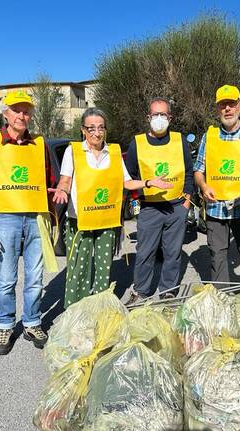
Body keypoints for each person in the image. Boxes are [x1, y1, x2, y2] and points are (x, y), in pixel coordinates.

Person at [51, 107, 172, 308]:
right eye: (91, 128)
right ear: (83, 130)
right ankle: (75, 313)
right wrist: (62, 190)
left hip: (107, 221)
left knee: (103, 270)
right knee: (77, 269)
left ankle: (100, 311)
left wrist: (148, 182)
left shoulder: (113, 153)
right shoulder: (73, 151)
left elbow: (126, 182)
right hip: (79, 221)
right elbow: (65, 180)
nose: (96, 133)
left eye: (100, 128)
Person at [0, 90, 57, 355]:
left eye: (26, 110)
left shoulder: (39, 144)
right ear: (5, 114)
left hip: (35, 218)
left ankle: (32, 322)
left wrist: (52, 214)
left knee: (34, 277)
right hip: (5, 219)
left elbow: (48, 181)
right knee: (7, 279)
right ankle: (6, 325)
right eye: (16, 110)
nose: (22, 115)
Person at [193, 84, 240, 292]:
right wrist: (204, 185)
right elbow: (198, 170)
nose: (227, 109)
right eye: (222, 105)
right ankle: (222, 302)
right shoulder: (209, 136)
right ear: (217, 109)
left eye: (231, 104)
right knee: (217, 256)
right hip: (215, 209)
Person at [124, 97, 194, 302]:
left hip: (176, 207)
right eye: (155, 114)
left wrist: (187, 202)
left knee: (173, 253)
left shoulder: (179, 140)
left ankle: (168, 291)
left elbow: (189, 172)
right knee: (145, 252)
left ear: (170, 117)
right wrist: (141, 194)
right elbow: (129, 177)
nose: (159, 118)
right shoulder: (137, 143)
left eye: (163, 114)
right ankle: (141, 291)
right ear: (148, 117)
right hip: (149, 208)